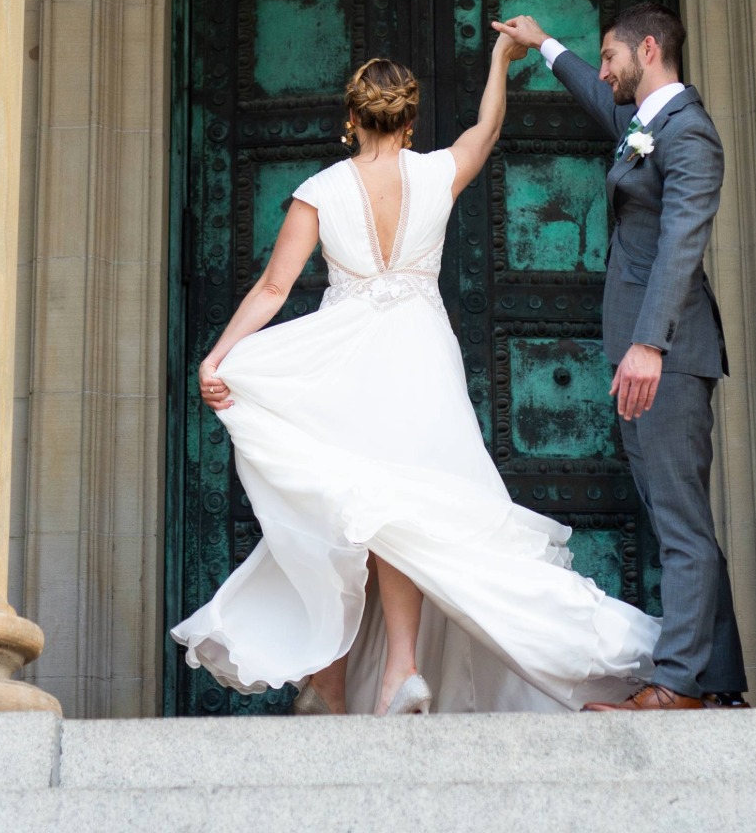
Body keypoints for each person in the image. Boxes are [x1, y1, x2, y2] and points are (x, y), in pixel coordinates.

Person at [172, 35, 657, 716]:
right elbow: (487, 130)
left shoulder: (319, 191)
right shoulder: (435, 174)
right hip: (420, 357)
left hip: (345, 361)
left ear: (352, 118)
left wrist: (217, 357)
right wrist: (498, 62)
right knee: (404, 507)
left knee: (355, 510)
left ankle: (337, 677)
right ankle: (398, 669)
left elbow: (273, 288)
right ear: (408, 119)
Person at [491, 5, 749, 712]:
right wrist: (545, 46)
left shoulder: (689, 134)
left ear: (649, 47)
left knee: (681, 526)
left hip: (664, 356)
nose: (604, 72)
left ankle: (675, 686)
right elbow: (602, 102)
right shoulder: (647, 125)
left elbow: (680, 245)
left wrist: (648, 343)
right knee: (680, 519)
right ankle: (717, 682)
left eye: (610, 57)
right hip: (645, 354)